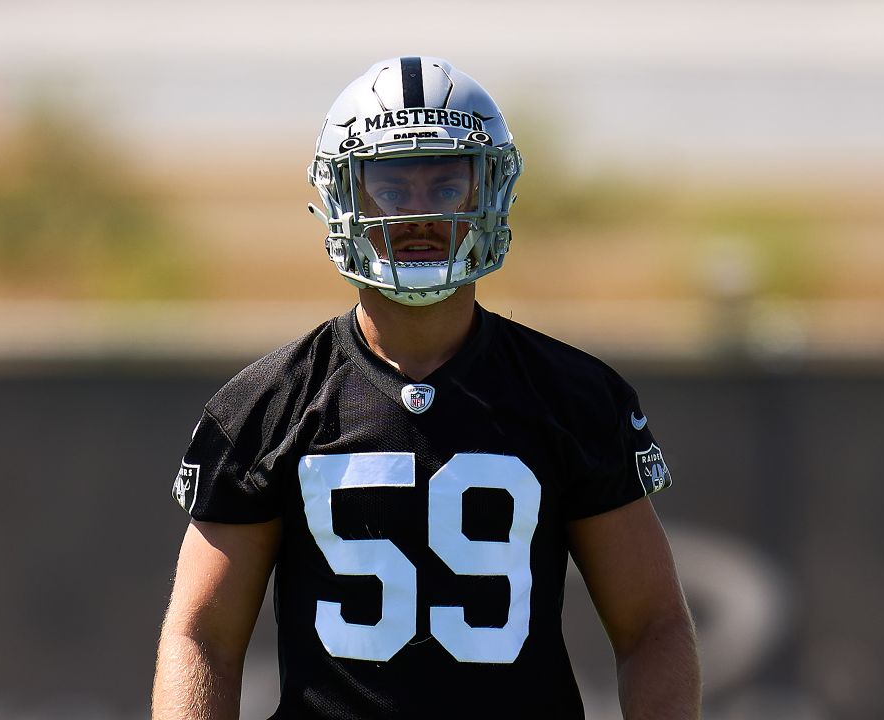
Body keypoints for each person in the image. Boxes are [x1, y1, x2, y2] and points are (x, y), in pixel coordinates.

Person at [152, 56, 699, 719]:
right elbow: (201, 635)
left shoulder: (572, 396)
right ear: (342, 196)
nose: (417, 215)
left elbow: (653, 626)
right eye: (390, 186)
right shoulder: (265, 408)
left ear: (489, 195)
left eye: (445, 188)